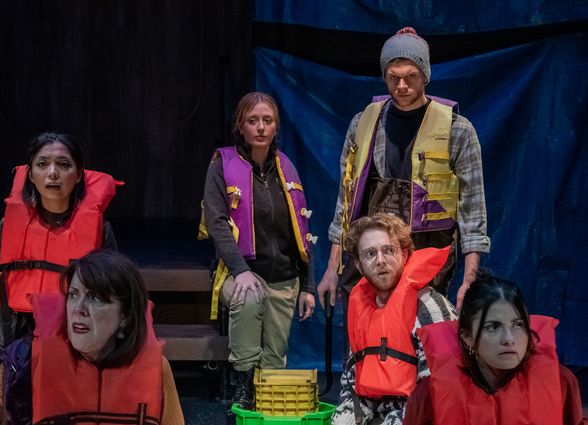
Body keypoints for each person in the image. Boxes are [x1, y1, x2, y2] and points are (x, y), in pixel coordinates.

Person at [317, 27, 491, 313]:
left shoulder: (457, 130)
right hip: (373, 254)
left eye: (410, 76)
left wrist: (469, 279)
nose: (401, 85)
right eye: (393, 77)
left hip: (426, 256)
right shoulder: (363, 123)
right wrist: (331, 269)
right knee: (364, 340)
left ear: (425, 75)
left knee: (416, 338)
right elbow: (345, 202)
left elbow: (473, 212)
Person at [0, 249, 184, 425]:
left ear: (125, 316)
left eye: (95, 298)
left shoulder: (157, 370)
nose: (78, 308)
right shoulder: (26, 361)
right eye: (73, 295)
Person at [199, 91, 316, 409]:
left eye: (267, 121)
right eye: (253, 121)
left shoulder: (286, 169)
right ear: (241, 125)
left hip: (284, 276)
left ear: (276, 126)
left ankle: (265, 401)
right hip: (240, 272)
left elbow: (302, 229)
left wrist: (307, 286)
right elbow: (218, 223)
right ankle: (242, 382)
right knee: (248, 298)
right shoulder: (222, 165)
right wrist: (241, 270)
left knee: (275, 358)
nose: (261, 127)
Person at [0, 132, 120, 350]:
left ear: (78, 175)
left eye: (64, 165)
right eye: (42, 164)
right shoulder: (8, 226)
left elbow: (111, 291)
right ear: (30, 174)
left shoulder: (100, 229)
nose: (53, 173)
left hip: (77, 339)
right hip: (21, 337)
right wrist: (7, 350)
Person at [403, 271, 587, 425]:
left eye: (518, 325)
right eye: (493, 327)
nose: (509, 339)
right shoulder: (429, 396)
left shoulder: (561, 383)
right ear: (467, 338)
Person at [332, 214, 457, 425]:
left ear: (405, 254)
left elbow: (442, 391)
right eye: (370, 254)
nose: (380, 260)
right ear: (359, 265)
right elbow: (351, 384)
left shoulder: (431, 309)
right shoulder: (362, 310)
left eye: (389, 250)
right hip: (375, 413)